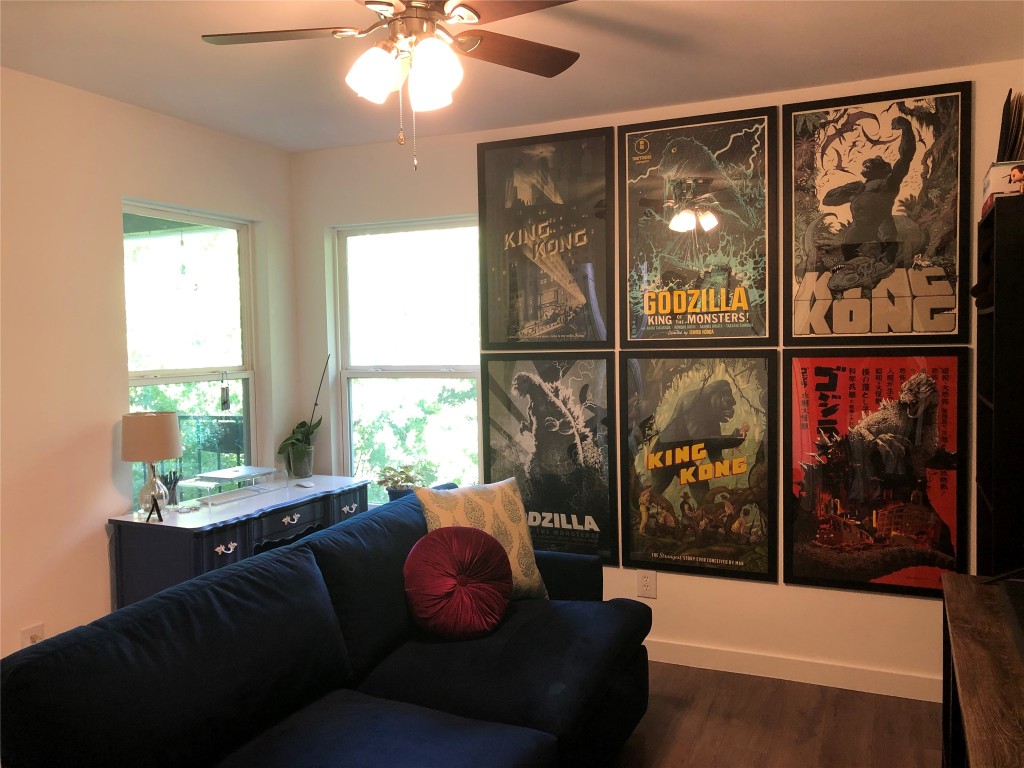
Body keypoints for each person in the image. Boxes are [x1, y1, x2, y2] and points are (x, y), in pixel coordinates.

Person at [822, 115, 915, 265]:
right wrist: (847, 188)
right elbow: (827, 200)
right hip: (859, 228)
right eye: (865, 165)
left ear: (883, 168)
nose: (865, 166)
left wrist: (906, 127)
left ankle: (887, 260)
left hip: (882, 225)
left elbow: (906, 157)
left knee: (888, 250)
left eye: (872, 164)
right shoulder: (859, 189)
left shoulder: (889, 182)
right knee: (848, 253)